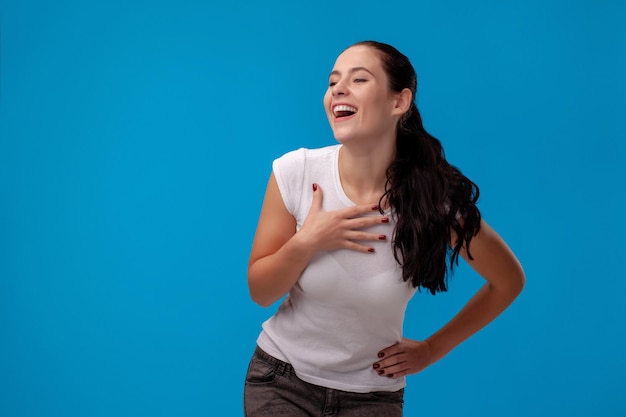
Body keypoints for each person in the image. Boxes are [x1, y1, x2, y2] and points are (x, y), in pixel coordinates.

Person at [243, 40, 525, 417]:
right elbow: (260, 292)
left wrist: (431, 349)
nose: (338, 89)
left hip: (372, 397)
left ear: (399, 102)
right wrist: (308, 242)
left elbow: (508, 281)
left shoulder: (434, 201)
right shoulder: (296, 172)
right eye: (332, 82)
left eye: (359, 79)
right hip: (281, 381)